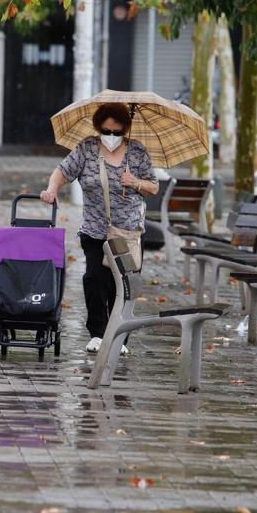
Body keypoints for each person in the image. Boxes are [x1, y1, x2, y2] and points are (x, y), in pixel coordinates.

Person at [40, 103, 159, 353]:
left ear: (125, 130)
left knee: (122, 285)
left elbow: (153, 187)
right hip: (95, 230)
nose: (111, 137)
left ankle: (119, 339)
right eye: (107, 131)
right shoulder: (87, 149)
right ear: (98, 128)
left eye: (117, 133)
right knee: (94, 279)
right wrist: (52, 190)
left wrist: (135, 182)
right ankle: (97, 333)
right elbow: (61, 172)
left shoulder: (136, 152)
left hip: (127, 233)